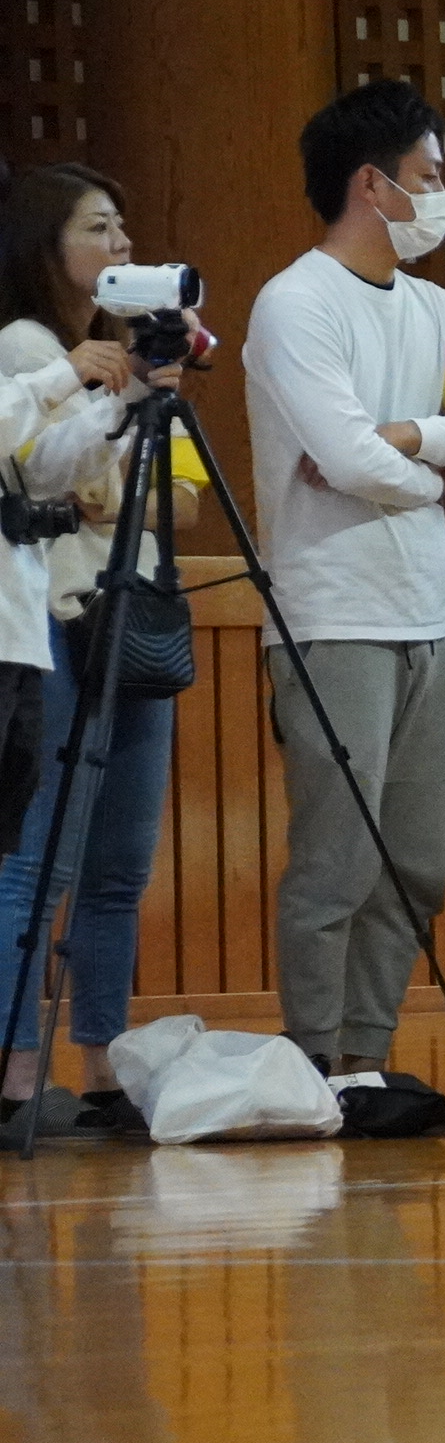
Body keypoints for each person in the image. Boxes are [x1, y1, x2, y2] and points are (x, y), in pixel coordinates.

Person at [243, 79, 445, 1074]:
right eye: (429, 175)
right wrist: (435, 476)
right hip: (332, 615)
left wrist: (409, 440)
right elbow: (341, 457)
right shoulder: (294, 303)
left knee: (418, 861)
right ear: (374, 183)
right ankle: (314, 1060)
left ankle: (366, 1060)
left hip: (429, 615)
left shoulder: (437, 307)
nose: (441, 195)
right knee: (337, 857)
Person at [0, 163, 200, 1128]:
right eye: (98, 228)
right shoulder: (27, 345)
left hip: (133, 606)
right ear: (45, 242)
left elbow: (172, 501)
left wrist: (136, 393)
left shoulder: (114, 354)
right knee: (38, 861)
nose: (121, 246)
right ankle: (16, 1073)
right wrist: (95, 399)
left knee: (120, 863)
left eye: (124, 229)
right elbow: (55, 480)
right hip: (58, 613)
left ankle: (106, 1068)